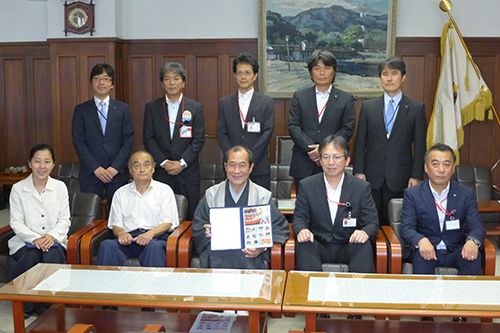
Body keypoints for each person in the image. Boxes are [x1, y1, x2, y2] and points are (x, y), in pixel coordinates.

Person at [353, 57, 426, 226]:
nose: (389, 78)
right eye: (385, 74)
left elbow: (420, 146)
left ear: (403, 77)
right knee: (371, 222)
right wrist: (358, 172)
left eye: (394, 73)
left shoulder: (416, 108)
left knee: (398, 223)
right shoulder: (369, 107)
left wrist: (416, 176)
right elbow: (360, 142)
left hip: (402, 177)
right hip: (371, 176)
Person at [192, 145, 289, 269]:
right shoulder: (212, 194)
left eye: (242, 165)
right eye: (232, 165)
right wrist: (206, 233)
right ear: (225, 167)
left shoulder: (262, 196)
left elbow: (280, 228)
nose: (236, 171)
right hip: (217, 253)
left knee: (243, 256)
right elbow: (198, 226)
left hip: (250, 254)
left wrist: (262, 247)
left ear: (250, 168)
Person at [293, 135, 379, 273]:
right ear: (320, 161)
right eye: (326, 157)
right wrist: (302, 230)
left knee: (364, 245)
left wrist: (364, 232)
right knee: (303, 244)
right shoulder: (307, 185)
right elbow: (299, 218)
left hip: (349, 244)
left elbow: (372, 223)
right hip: (319, 244)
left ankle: (358, 293)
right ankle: (311, 292)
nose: (331, 162)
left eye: (337, 157)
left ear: (347, 161)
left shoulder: (361, 187)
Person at [6, 144, 70, 317]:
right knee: (31, 256)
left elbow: (64, 220)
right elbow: (16, 223)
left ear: (53, 164)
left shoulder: (60, 187)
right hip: (24, 241)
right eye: (37, 161)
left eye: (47, 162)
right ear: (30, 163)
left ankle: (48, 306)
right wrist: (35, 238)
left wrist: (52, 236)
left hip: (53, 240)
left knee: (51, 256)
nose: (42, 166)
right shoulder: (18, 188)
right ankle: (26, 306)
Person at [401, 143, 485, 275]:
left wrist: (472, 241)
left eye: (446, 164)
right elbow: (407, 228)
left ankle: (466, 296)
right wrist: (421, 240)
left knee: (472, 256)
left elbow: (477, 227)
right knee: (422, 257)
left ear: (453, 169)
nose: (441, 170)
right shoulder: (413, 194)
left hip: (456, 249)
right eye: (435, 164)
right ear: (426, 168)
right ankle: (424, 296)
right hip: (426, 248)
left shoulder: (465, 194)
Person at [143, 62, 205, 220]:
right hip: (161, 173)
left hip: (188, 172)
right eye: (167, 79)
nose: (172, 83)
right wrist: (164, 162)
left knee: (189, 216)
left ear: (183, 82)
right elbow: (148, 139)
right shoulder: (152, 107)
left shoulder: (195, 107)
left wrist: (182, 163)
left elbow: (198, 140)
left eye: (176, 78)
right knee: (161, 216)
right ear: (162, 83)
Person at [97, 150, 179, 267]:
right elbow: (116, 225)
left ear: (153, 169)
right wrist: (121, 233)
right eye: (137, 166)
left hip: (155, 238)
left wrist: (150, 234)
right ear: (130, 171)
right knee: (107, 245)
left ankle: (152, 286)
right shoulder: (120, 193)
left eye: (146, 165)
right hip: (129, 239)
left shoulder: (164, 190)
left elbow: (167, 223)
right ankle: (107, 285)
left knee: (154, 248)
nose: (142, 170)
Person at [287, 50, 355, 189]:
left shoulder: (345, 98)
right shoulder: (300, 96)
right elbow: (293, 125)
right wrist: (311, 149)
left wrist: (324, 150)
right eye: (317, 68)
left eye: (327, 68)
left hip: (332, 163)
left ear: (334, 71)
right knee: (304, 207)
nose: (322, 73)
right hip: (304, 161)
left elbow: (347, 128)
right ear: (311, 72)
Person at [72, 63, 135, 204]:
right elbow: (78, 142)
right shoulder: (81, 110)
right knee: (90, 217)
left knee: (119, 216)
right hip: (91, 173)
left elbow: (128, 139)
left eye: (106, 79)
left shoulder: (123, 109)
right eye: (97, 78)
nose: (101, 82)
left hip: (117, 173)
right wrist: (95, 168)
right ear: (91, 83)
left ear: (112, 84)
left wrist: (115, 167)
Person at [216, 52, 274, 190]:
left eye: (247, 73)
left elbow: (267, 132)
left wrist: (249, 160)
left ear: (255, 75)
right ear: (234, 75)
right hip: (232, 170)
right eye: (239, 73)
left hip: (258, 167)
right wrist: (234, 160)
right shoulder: (225, 103)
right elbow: (221, 133)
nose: (243, 77)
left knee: (259, 209)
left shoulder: (266, 102)